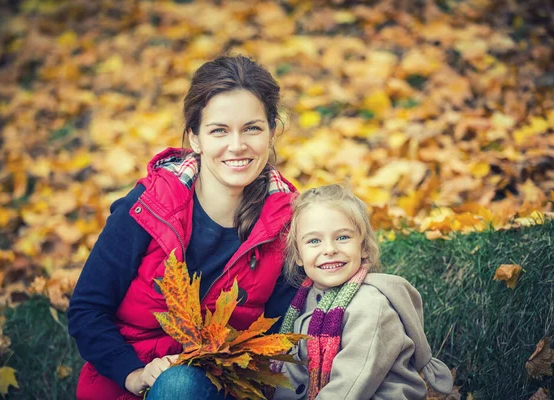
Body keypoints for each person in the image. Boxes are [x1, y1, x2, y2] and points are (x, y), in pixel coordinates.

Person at [67, 55, 299, 400]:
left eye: (252, 128)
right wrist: (132, 372)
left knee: (183, 384)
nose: (237, 145)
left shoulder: (287, 224)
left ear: (272, 131)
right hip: (128, 382)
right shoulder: (148, 207)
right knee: (177, 384)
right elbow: (87, 308)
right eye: (219, 130)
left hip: (225, 384)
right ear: (195, 138)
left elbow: (284, 328)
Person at [272, 184, 454, 400]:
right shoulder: (304, 299)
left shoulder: (371, 306)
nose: (329, 249)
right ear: (299, 255)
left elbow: (350, 387)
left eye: (342, 237)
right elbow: (292, 371)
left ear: (364, 247)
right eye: (314, 241)